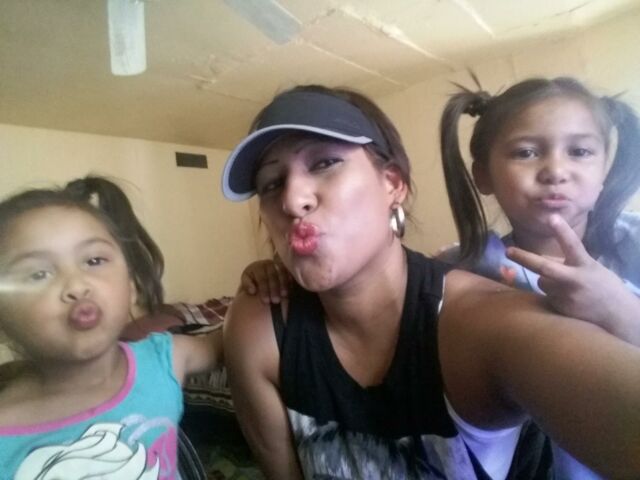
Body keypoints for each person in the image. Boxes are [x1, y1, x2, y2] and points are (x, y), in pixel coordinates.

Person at [221, 85, 640, 479]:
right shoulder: (258, 325)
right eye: (271, 184)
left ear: (393, 184)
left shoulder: (480, 321)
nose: (292, 200)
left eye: (324, 163)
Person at [0, 176, 222, 478]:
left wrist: (260, 278)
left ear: (131, 284)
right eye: (38, 274)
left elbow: (231, 340)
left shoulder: (164, 359)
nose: (76, 286)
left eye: (94, 260)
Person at [438, 76, 640, 348]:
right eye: (525, 153)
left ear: (603, 170)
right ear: (483, 176)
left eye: (580, 151)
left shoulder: (635, 243)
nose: (555, 171)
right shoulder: (467, 270)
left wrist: (617, 307)